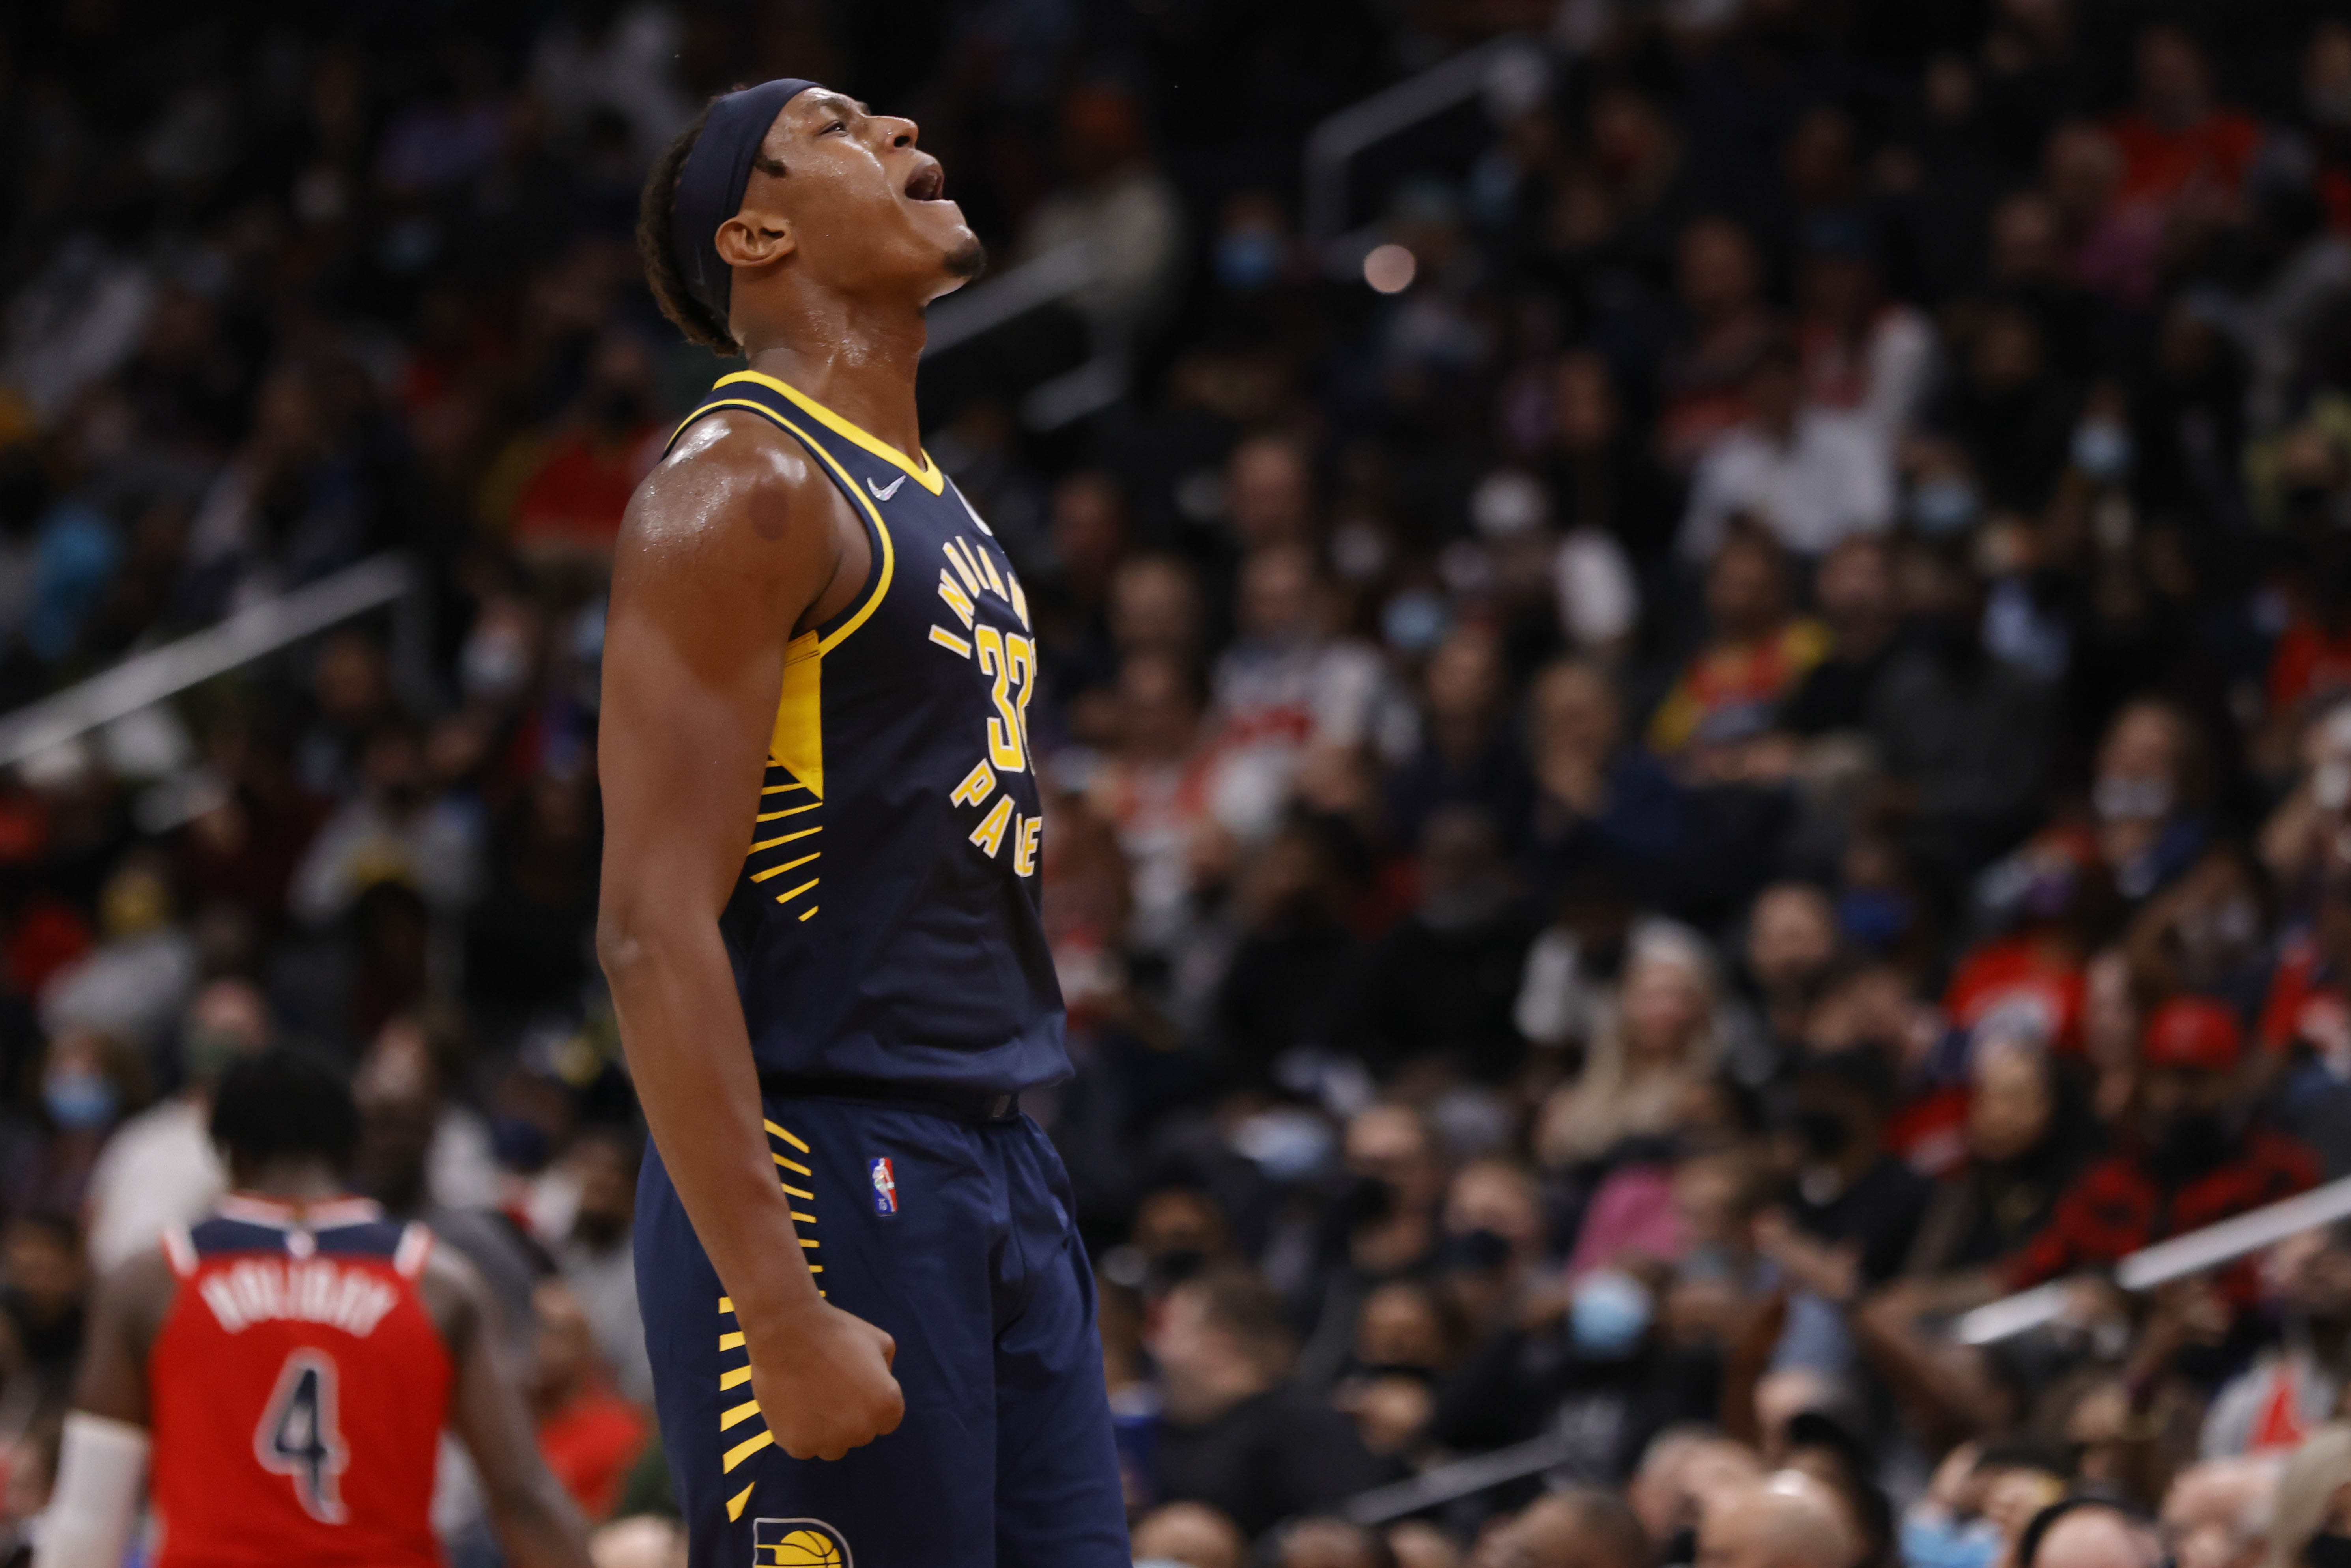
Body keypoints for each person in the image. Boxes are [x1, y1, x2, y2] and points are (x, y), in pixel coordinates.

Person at [605, 79, 1127, 1567]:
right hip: (829, 1160)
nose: (897, 132)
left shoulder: (935, 499)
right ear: (755, 234)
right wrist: (777, 1306)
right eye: (837, 129)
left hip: (999, 1157)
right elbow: (648, 925)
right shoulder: (744, 482)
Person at [36, 1048, 588, 1568]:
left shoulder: (154, 1281)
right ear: (351, 1149)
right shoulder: (437, 1282)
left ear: (227, 1152)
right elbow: (524, 1498)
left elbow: (89, 1521)